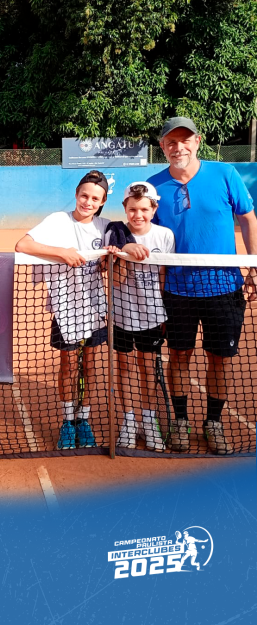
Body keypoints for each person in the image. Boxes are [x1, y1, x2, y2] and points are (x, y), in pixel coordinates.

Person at [148, 116, 257, 454]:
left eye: (185, 140)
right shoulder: (153, 186)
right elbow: (146, 234)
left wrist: (254, 266)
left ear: (197, 142)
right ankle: (181, 422)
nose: (178, 147)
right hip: (176, 290)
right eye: (171, 141)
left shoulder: (225, 174)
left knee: (220, 359)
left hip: (224, 287)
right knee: (179, 355)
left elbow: (248, 218)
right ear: (162, 146)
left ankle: (213, 423)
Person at [15, 170, 111, 450]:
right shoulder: (58, 220)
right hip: (65, 308)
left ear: (103, 201)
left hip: (94, 308)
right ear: (76, 194)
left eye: (95, 198)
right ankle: (68, 422)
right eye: (84, 195)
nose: (88, 202)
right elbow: (23, 244)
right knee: (68, 366)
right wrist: (62, 252)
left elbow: (120, 250)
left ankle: (84, 420)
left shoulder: (106, 227)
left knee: (90, 366)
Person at [106, 182, 175, 451]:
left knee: (148, 369)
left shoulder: (165, 236)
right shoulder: (115, 234)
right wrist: (124, 252)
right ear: (125, 208)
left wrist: (163, 311)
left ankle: (149, 420)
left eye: (145, 209)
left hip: (152, 316)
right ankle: (129, 422)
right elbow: (116, 280)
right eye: (133, 209)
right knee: (124, 367)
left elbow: (163, 276)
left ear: (154, 209)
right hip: (122, 315)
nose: (138, 215)